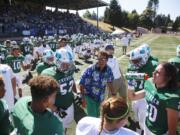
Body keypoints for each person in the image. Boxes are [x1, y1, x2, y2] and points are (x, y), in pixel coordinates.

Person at [128, 62, 180, 135]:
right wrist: (130, 85)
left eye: (157, 72)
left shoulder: (171, 98)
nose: (153, 73)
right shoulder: (150, 83)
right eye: (154, 71)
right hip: (147, 126)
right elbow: (132, 97)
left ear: (168, 77)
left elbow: (172, 132)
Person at [41, 48, 78, 131]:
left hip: (69, 105)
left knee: (65, 128)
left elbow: (71, 81)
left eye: (68, 63)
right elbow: (44, 98)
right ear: (57, 62)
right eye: (63, 64)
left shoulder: (70, 70)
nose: (66, 66)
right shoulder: (48, 74)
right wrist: (56, 109)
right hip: (56, 109)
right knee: (55, 130)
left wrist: (76, 94)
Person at [127, 47, 157, 133]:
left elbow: (153, 80)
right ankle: (138, 131)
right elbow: (129, 76)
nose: (134, 63)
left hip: (145, 97)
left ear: (145, 57)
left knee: (144, 121)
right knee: (136, 117)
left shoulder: (153, 65)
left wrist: (140, 76)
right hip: (134, 94)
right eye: (133, 60)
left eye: (136, 60)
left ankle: (144, 131)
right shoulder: (132, 65)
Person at [79, 51, 116, 117]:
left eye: (103, 59)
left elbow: (110, 82)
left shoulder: (108, 70)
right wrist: (83, 98)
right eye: (99, 59)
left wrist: (113, 94)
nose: (100, 61)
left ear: (107, 60)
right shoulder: (90, 69)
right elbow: (82, 84)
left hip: (100, 97)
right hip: (89, 96)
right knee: (93, 117)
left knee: (98, 115)